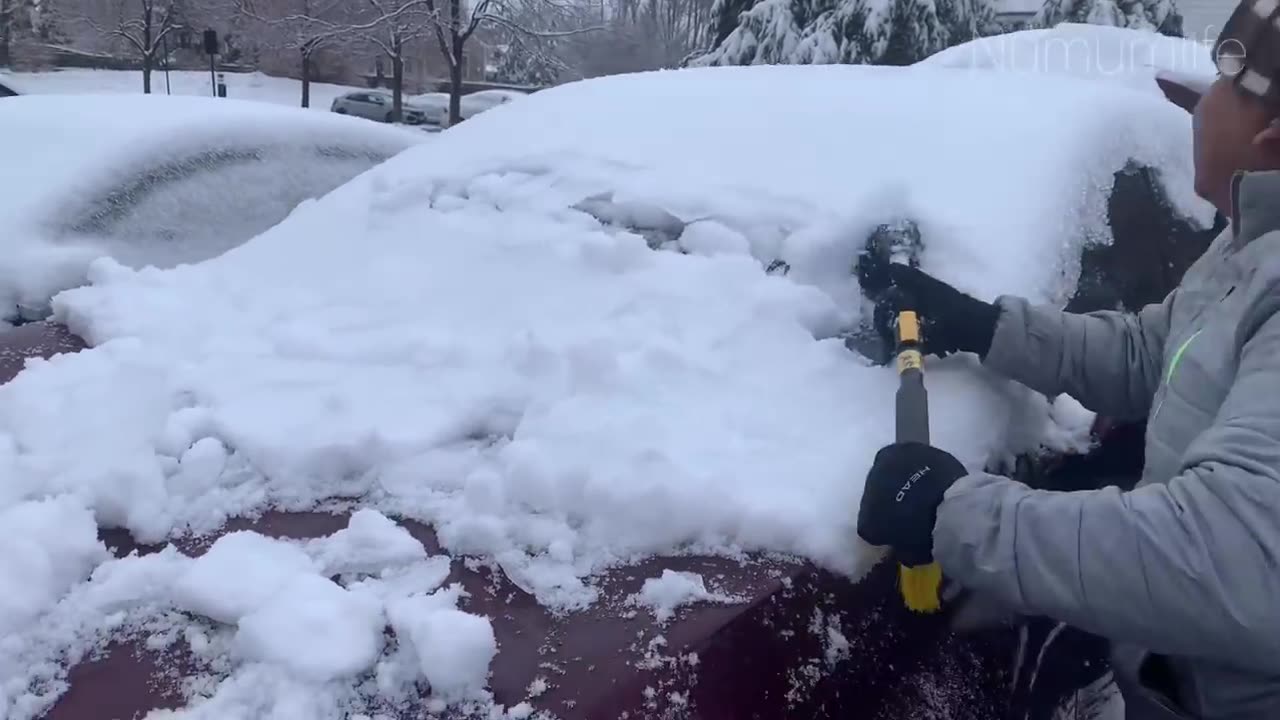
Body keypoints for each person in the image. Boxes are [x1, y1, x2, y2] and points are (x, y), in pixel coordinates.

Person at [855, 2, 1280, 719]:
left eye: (1222, 83)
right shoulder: (1249, 246)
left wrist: (958, 517)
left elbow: (1234, 559)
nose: (1199, 104)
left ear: (1271, 134)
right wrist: (987, 326)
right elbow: (1153, 355)